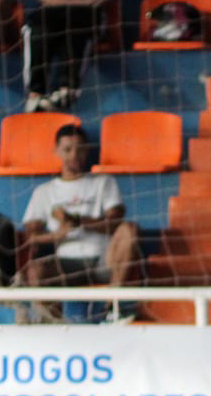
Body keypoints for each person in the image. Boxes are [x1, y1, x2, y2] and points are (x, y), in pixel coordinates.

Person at [18, 124, 139, 290]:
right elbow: (30, 235)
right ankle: (53, 317)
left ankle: (113, 305)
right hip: (66, 262)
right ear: (56, 151)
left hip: (104, 259)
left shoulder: (103, 182)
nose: (74, 155)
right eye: (67, 150)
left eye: (79, 149)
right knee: (35, 271)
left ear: (87, 150)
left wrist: (76, 220)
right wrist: (58, 234)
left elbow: (116, 221)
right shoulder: (44, 191)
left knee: (129, 229)